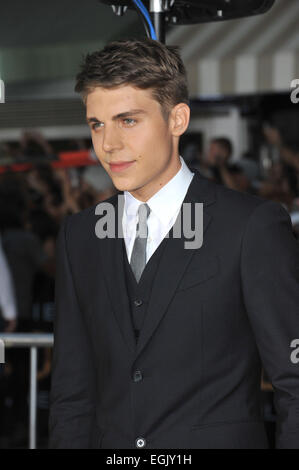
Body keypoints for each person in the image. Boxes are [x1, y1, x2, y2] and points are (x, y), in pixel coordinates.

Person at [49, 39, 299, 449]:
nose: (108, 144)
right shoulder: (80, 235)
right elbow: (72, 394)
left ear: (177, 119)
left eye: (127, 120)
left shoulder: (250, 226)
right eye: (97, 124)